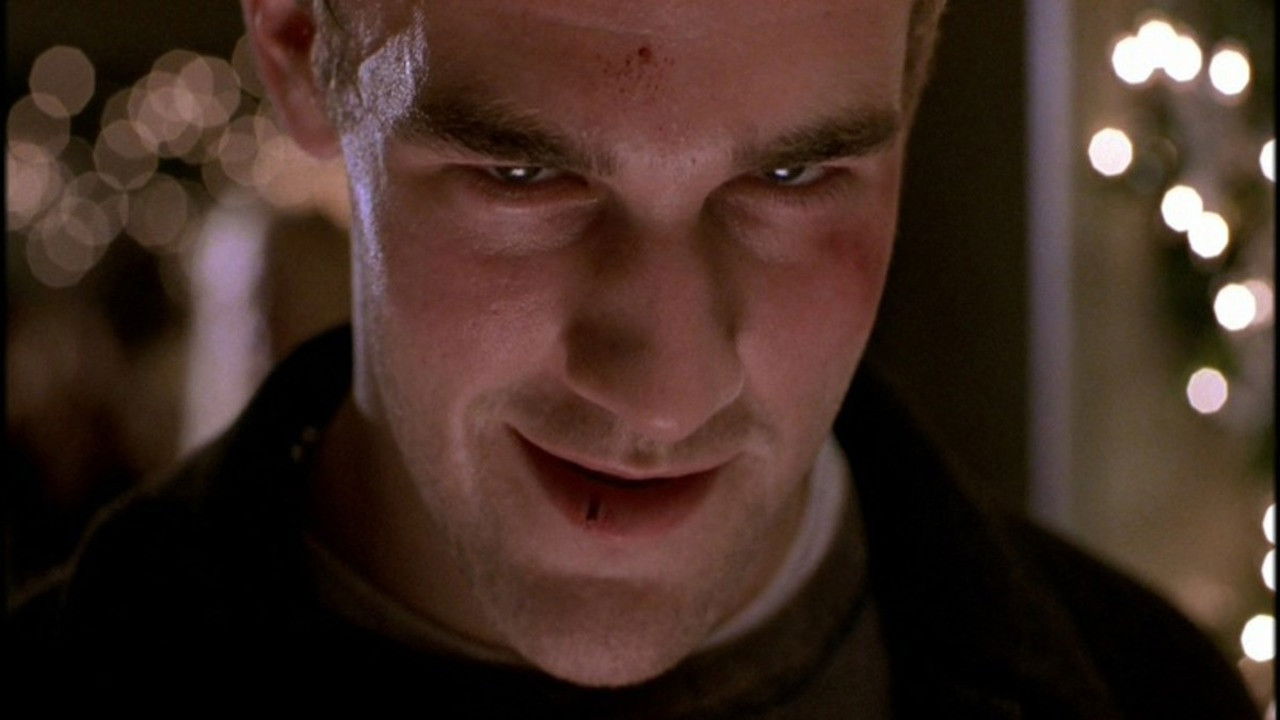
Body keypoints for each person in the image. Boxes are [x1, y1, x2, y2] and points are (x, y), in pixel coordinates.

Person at [10, 0, 1259, 716]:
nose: (661, 397)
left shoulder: (1151, 695)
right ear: (297, 45)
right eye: (521, 174)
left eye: (792, 175)